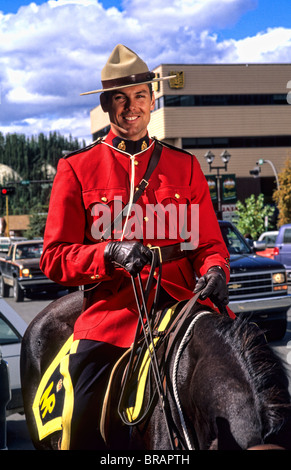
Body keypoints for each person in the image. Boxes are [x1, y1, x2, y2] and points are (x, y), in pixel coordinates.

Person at [40, 44, 232, 450]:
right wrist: (107, 253)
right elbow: (54, 257)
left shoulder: (185, 165)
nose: (132, 108)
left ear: (151, 99)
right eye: (121, 99)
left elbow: (208, 243)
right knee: (81, 405)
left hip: (184, 299)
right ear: (108, 105)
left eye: (140, 96)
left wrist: (215, 269)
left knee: (254, 376)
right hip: (115, 311)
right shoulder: (76, 168)